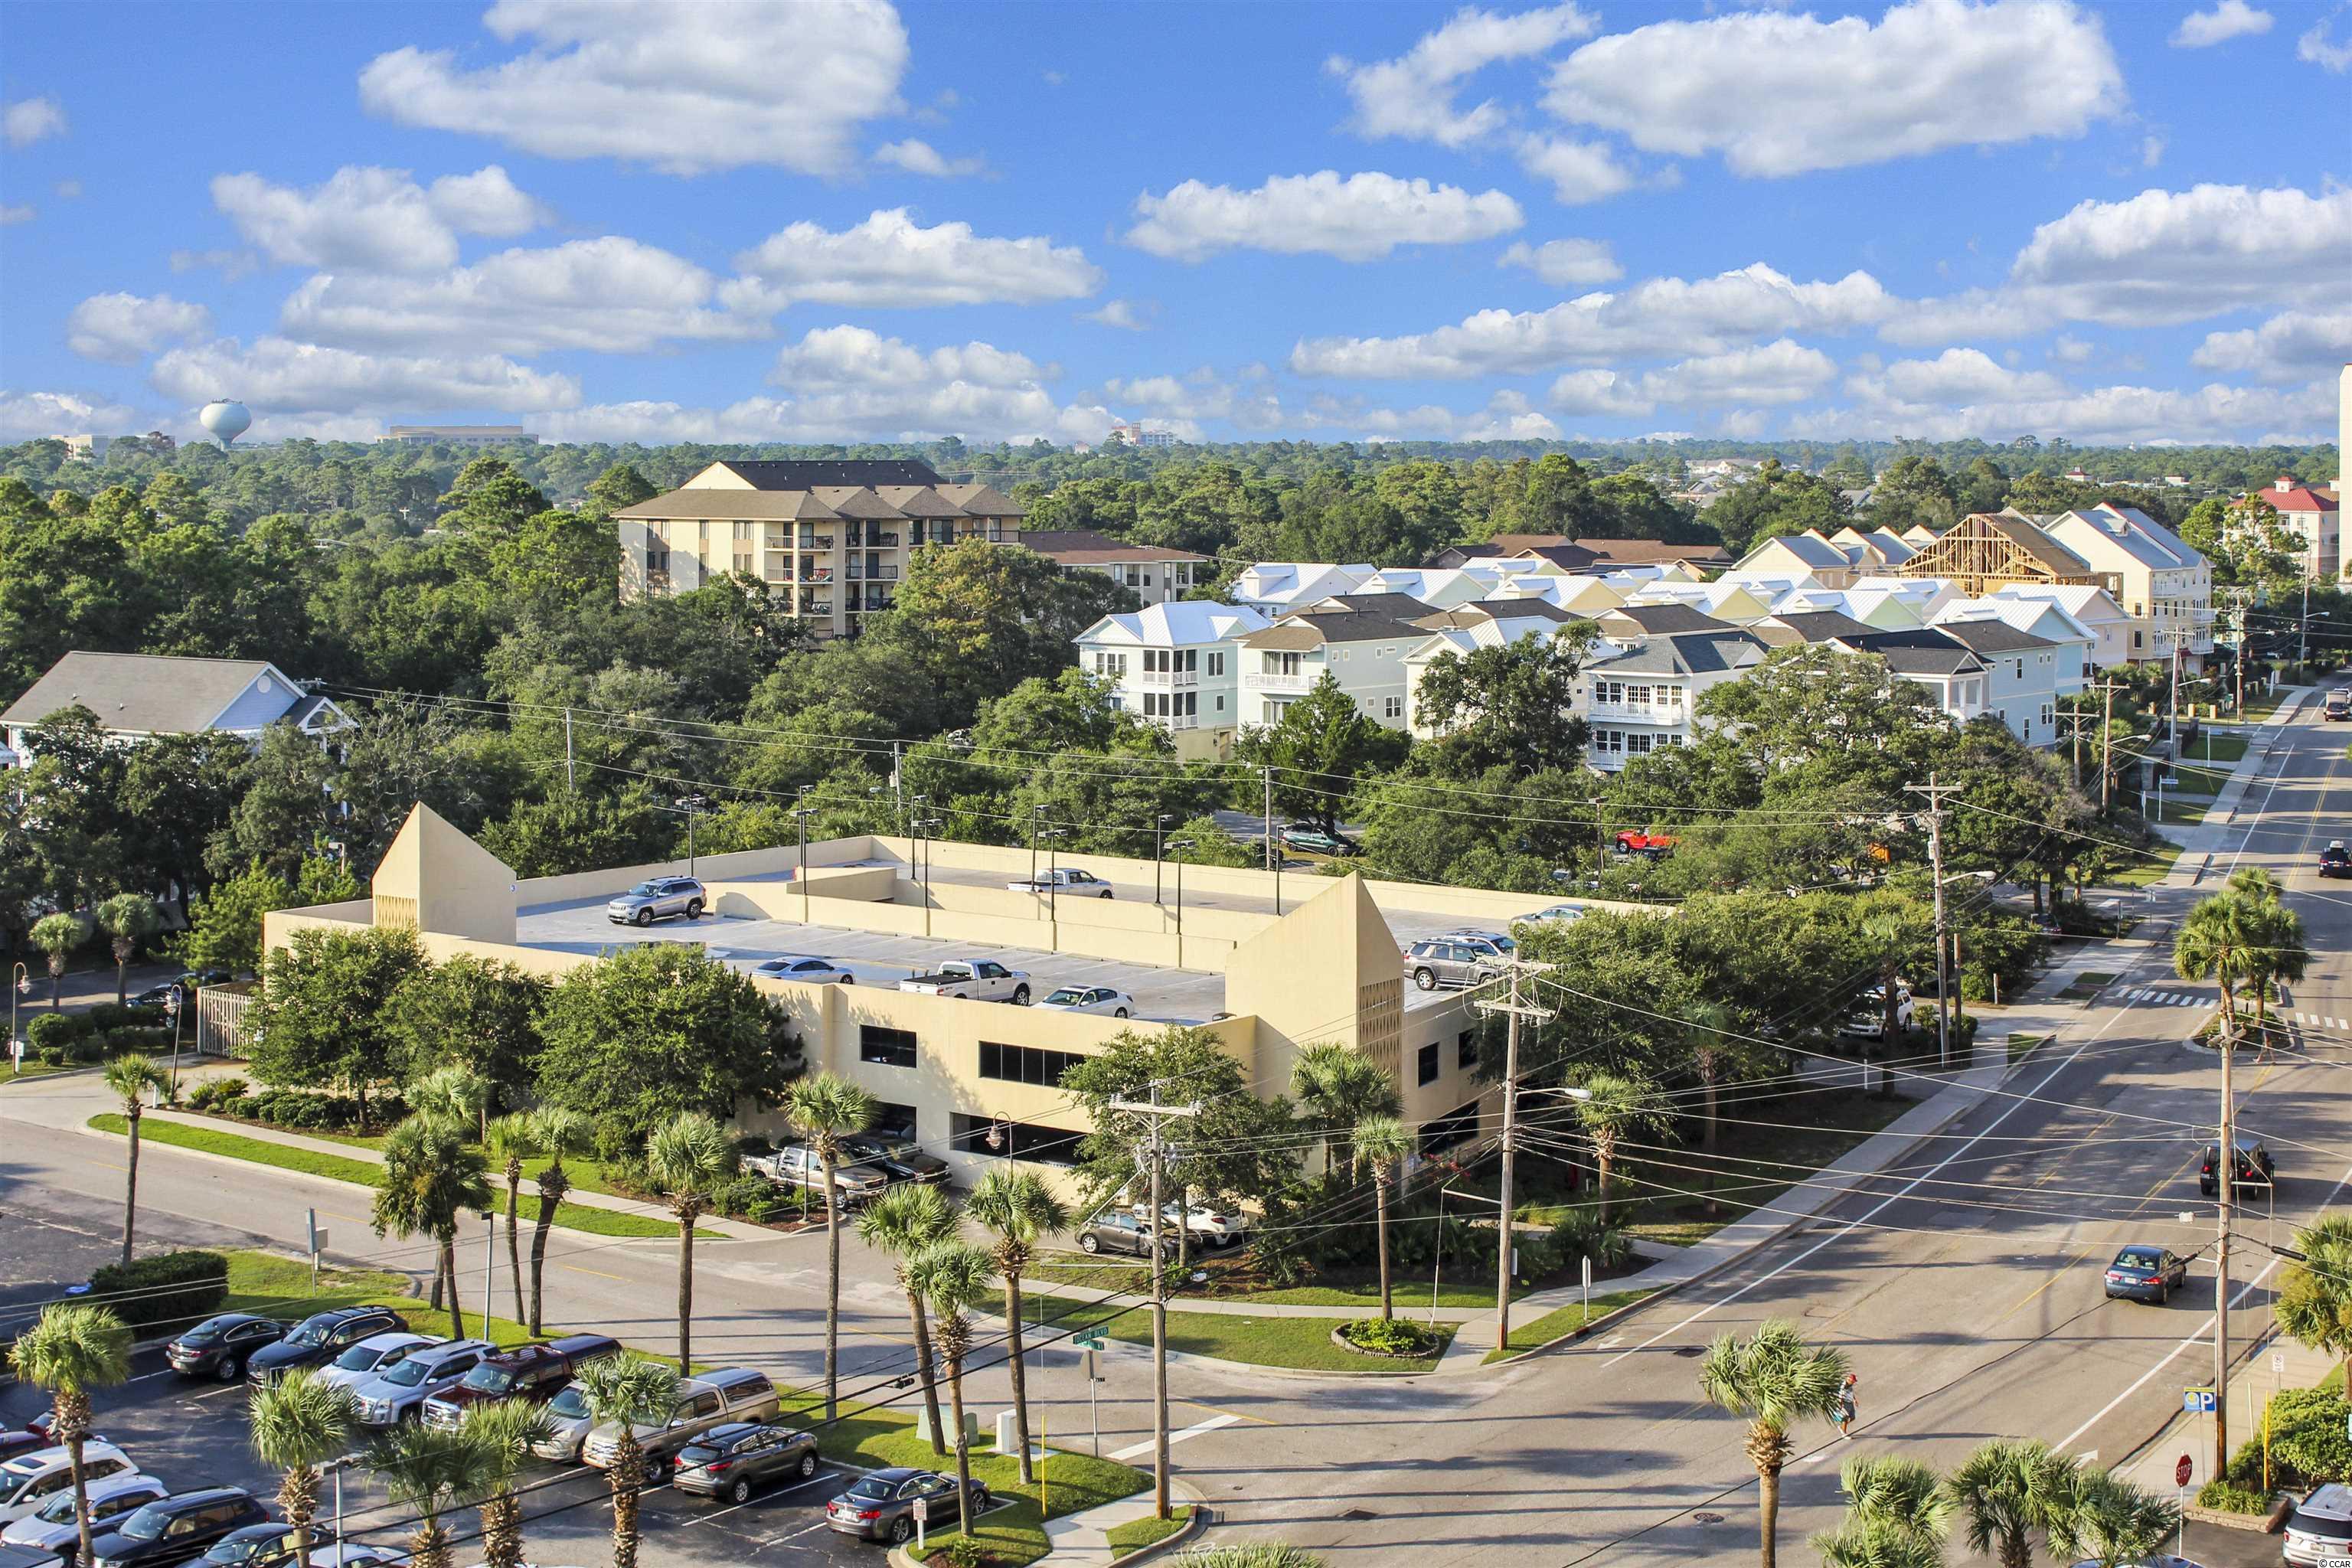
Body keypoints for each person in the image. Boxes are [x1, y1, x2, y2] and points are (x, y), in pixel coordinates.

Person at [1836, 1371, 1858, 1438]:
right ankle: (1844, 1434)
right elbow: (1840, 1397)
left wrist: (1854, 1400)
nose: (1854, 1383)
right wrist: (1841, 1405)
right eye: (1853, 1381)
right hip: (1845, 1403)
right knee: (1845, 1418)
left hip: (1850, 1402)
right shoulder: (1843, 1387)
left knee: (1852, 1417)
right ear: (1849, 1380)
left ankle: (1841, 1427)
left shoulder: (1850, 1385)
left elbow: (1851, 1393)